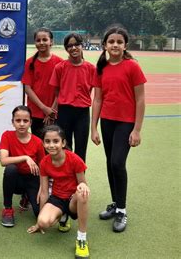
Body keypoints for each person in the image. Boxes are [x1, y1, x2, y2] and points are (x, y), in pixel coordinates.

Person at [91, 26, 146, 233]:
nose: (115, 45)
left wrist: (137, 130)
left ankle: (122, 210)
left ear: (125, 45)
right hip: (107, 121)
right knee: (109, 163)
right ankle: (115, 203)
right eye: (111, 41)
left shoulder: (132, 66)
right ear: (104, 45)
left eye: (119, 42)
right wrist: (93, 128)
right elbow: (97, 99)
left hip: (126, 123)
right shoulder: (101, 68)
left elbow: (140, 100)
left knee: (117, 162)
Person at [27, 125, 90, 259]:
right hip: (57, 198)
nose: (52, 145)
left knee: (83, 193)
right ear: (43, 143)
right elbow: (44, 192)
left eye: (56, 141)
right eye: (47, 141)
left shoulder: (74, 159)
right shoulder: (44, 162)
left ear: (63, 143)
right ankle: (63, 216)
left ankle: (82, 239)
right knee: (44, 222)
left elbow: (83, 183)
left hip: (73, 199)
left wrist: (83, 187)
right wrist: (39, 220)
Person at [50, 33, 96, 161]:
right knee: (65, 147)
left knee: (81, 149)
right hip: (64, 112)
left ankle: (80, 179)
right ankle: (66, 179)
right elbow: (57, 92)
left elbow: (94, 91)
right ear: (66, 49)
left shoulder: (91, 69)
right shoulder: (60, 68)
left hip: (82, 113)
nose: (73, 48)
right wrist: (53, 111)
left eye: (77, 44)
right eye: (69, 46)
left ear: (82, 46)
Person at [0, 106, 45, 227]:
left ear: (30, 122)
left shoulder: (38, 142)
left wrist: (42, 189)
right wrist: (26, 157)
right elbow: (3, 160)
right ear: (12, 122)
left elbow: (43, 168)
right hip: (15, 180)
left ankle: (27, 197)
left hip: (32, 179)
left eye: (25, 121)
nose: (21, 124)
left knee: (39, 214)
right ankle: (7, 209)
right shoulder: (7, 136)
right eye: (18, 120)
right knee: (10, 168)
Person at [21, 28, 63, 139]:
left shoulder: (60, 63)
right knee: (38, 145)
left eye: (45, 39)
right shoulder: (30, 62)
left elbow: (61, 89)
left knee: (53, 146)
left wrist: (52, 111)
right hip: (36, 112)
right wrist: (44, 108)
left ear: (51, 42)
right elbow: (27, 88)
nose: (41, 43)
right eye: (38, 40)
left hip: (55, 112)